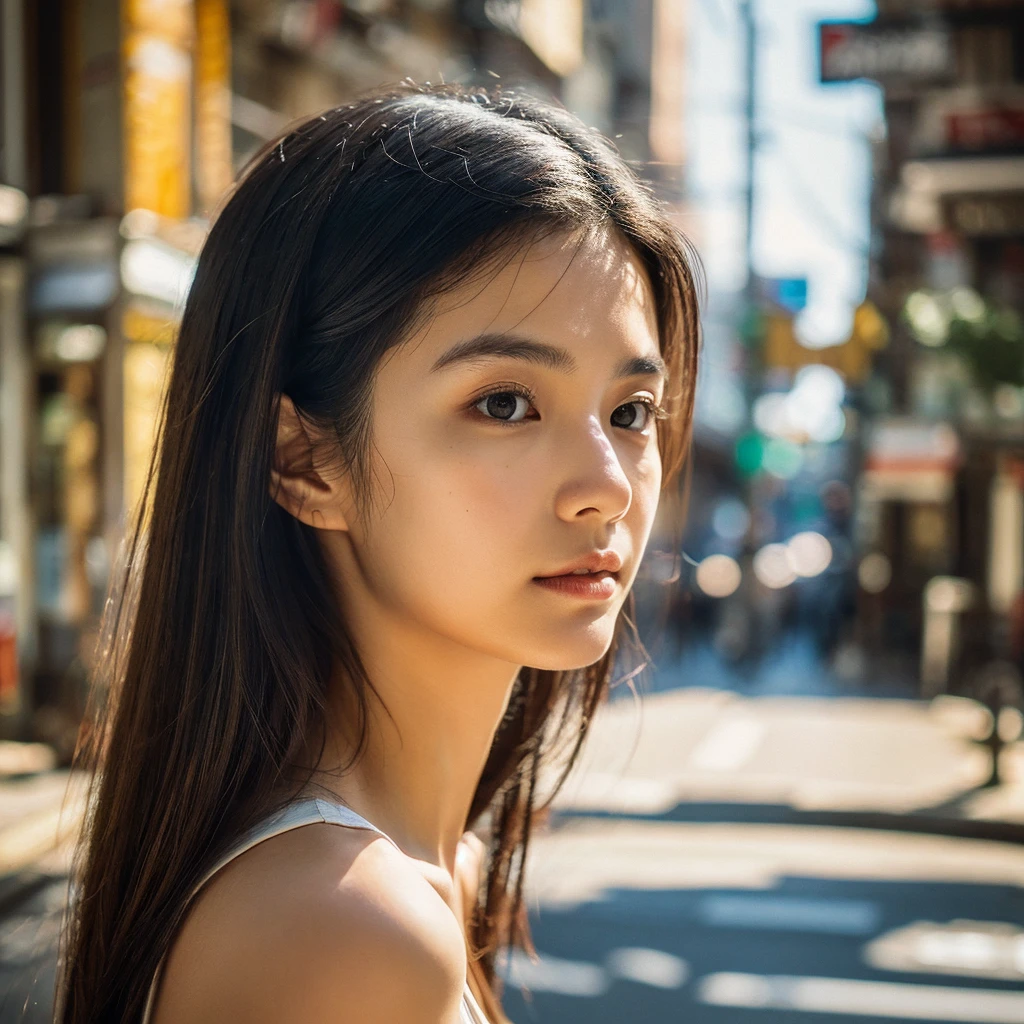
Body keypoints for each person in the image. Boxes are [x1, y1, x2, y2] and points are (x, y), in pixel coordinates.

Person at [55, 82, 700, 1024]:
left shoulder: (417, 878)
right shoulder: (347, 931)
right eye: (504, 403)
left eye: (630, 411)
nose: (605, 483)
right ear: (304, 458)